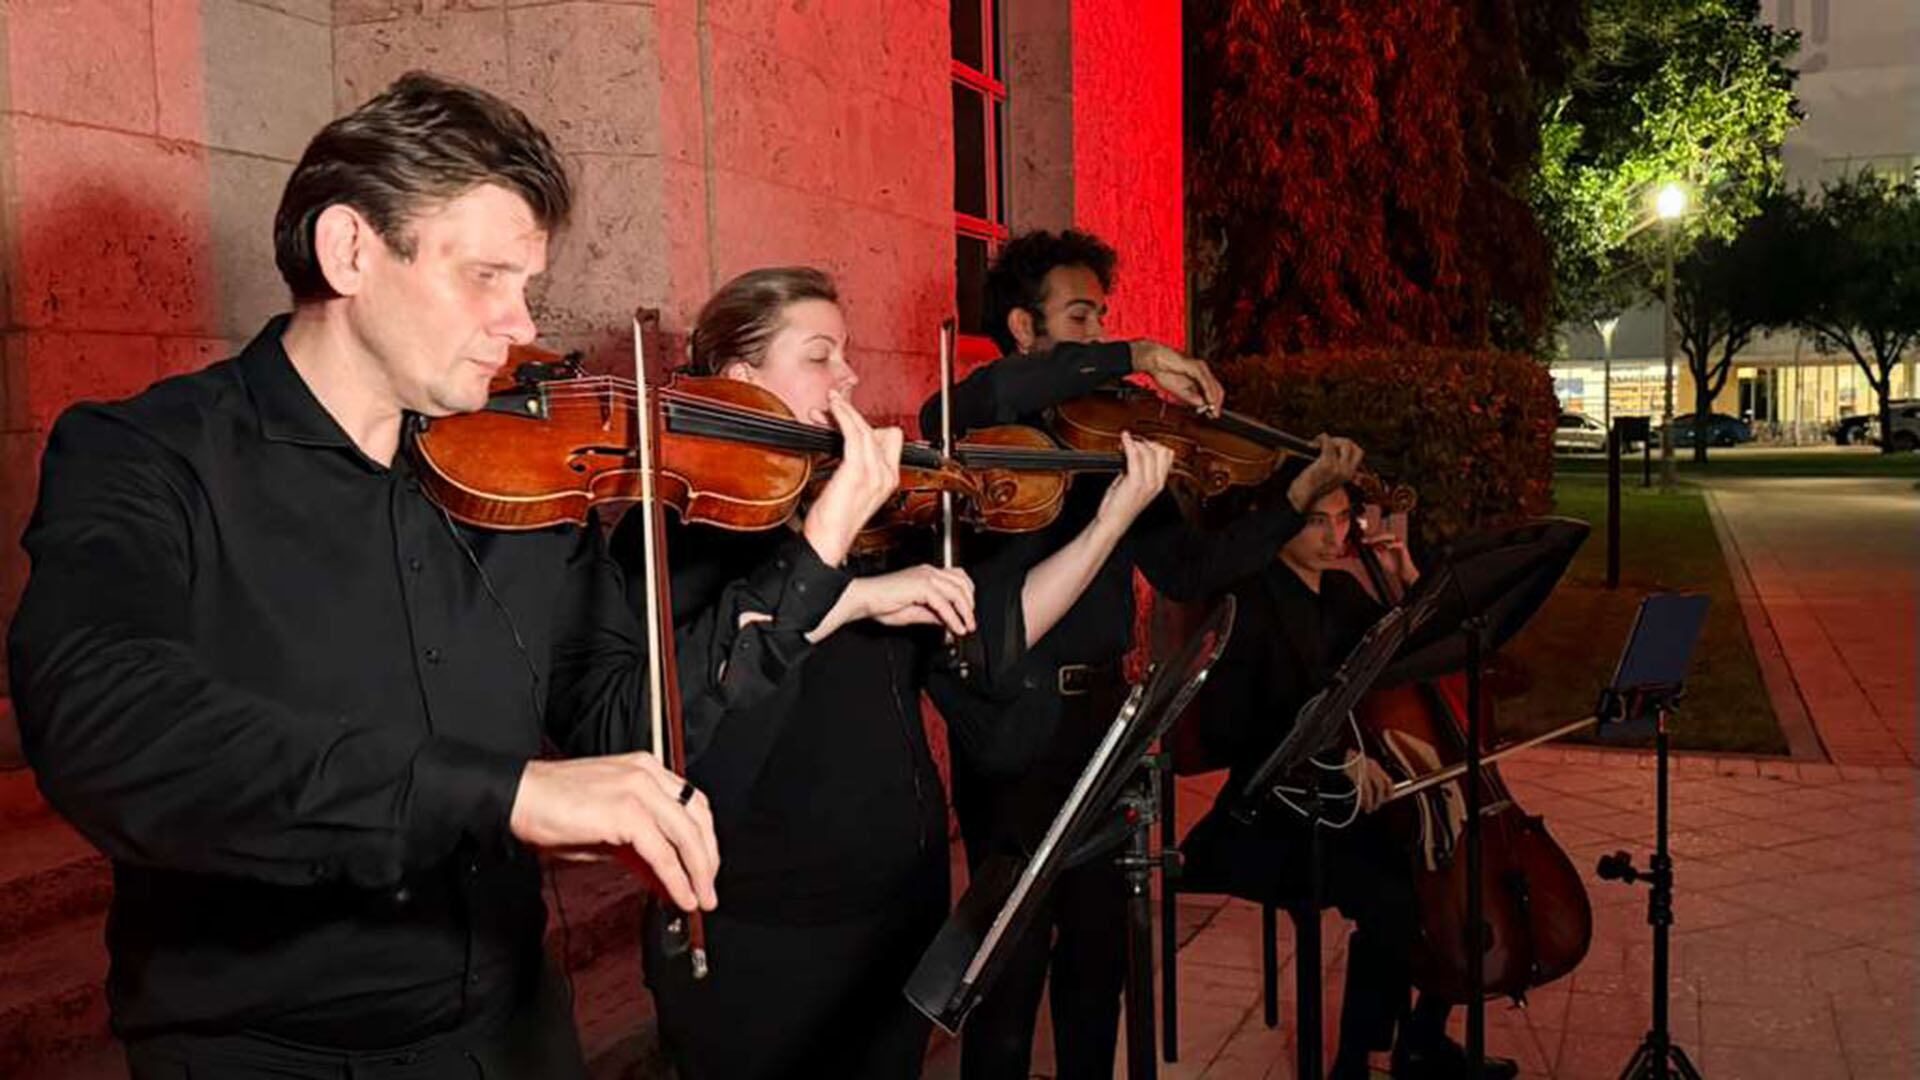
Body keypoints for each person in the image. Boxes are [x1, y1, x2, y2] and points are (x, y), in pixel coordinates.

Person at [6, 72, 718, 1078]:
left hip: (519, 1034)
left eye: (529, 287)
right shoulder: (146, 457)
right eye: (487, 276)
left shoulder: (516, 476)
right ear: (350, 251)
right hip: (270, 1057)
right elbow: (101, 718)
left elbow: (610, 721)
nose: (521, 326)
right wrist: (497, 795)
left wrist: (790, 572)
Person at [615, 266, 1177, 1078]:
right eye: (820, 356)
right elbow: (690, 732)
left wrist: (1109, 524)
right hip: (763, 937)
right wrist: (842, 587)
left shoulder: (873, 512)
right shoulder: (676, 525)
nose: (848, 376)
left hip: (898, 918)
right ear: (739, 380)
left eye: (844, 355)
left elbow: (991, 637)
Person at [919, 228, 1361, 1079]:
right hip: (1014, 727)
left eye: (1103, 318)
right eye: (1079, 317)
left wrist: (1291, 501)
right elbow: (964, 404)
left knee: (1101, 962)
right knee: (1006, 974)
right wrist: (1141, 351)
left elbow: (1191, 567)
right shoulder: (984, 414)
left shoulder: (1118, 440)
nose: (1096, 336)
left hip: (1102, 727)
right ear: (1023, 325)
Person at [1178, 470, 1521, 1080]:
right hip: (1271, 814)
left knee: (1441, 877)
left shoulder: (1339, 594)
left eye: (1343, 519)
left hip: (1342, 802)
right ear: (1280, 520)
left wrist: (1405, 577)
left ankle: (1419, 1037)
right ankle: (1354, 1061)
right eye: (1317, 520)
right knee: (1393, 895)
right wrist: (1333, 758)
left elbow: (1417, 653)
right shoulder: (1247, 603)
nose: (1336, 534)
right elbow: (1230, 732)